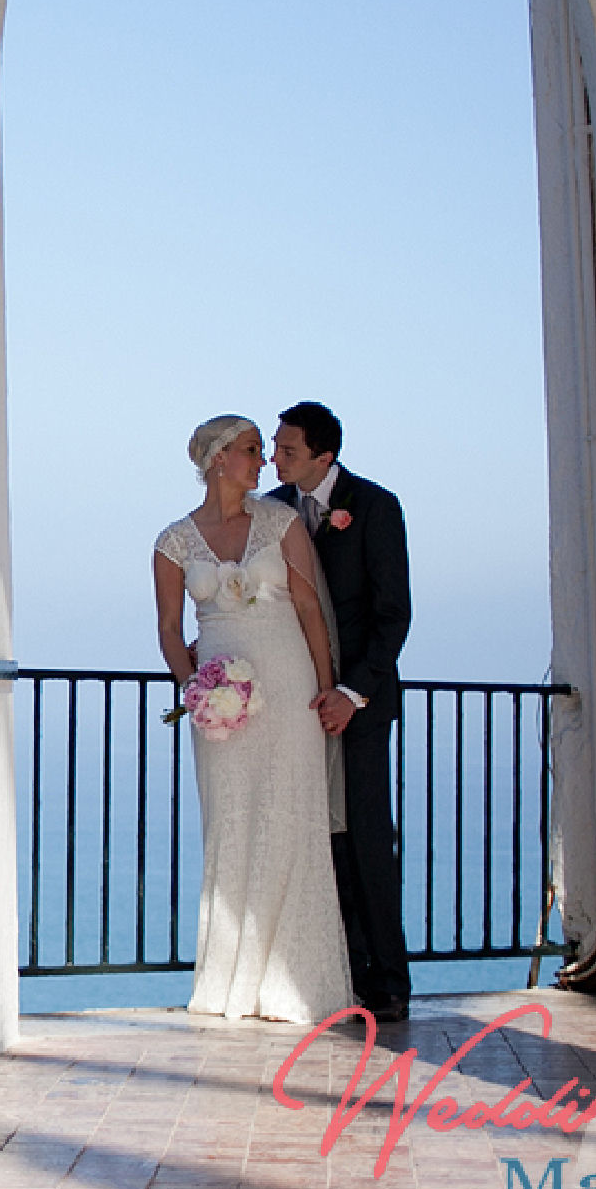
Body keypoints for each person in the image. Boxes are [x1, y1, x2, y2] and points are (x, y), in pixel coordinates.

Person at [153, 414, 352, 1021]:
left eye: (263, 451)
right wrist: (195, 691)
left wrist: (325, 688)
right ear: (218, 458)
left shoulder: (280, 522)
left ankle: (291, 985)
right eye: (251, 450)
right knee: (232, 820)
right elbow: (169, 630)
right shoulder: (173, 541)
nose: (262, 461)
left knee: (292, 818)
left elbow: (310, 608)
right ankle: (229, 980)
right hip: (221, 702)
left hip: (289, 687)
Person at [266, 400, 413, 1023]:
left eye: (288, 450)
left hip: (359, 704)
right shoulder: (272, 509)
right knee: (318, 840)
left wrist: (350, 694)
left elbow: (393, 615)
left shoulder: (375, 507)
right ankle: (339, 975)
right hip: (298, 702)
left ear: (324, 457)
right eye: (275, 446)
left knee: (367, 838)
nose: (275, 459)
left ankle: (390, 982)